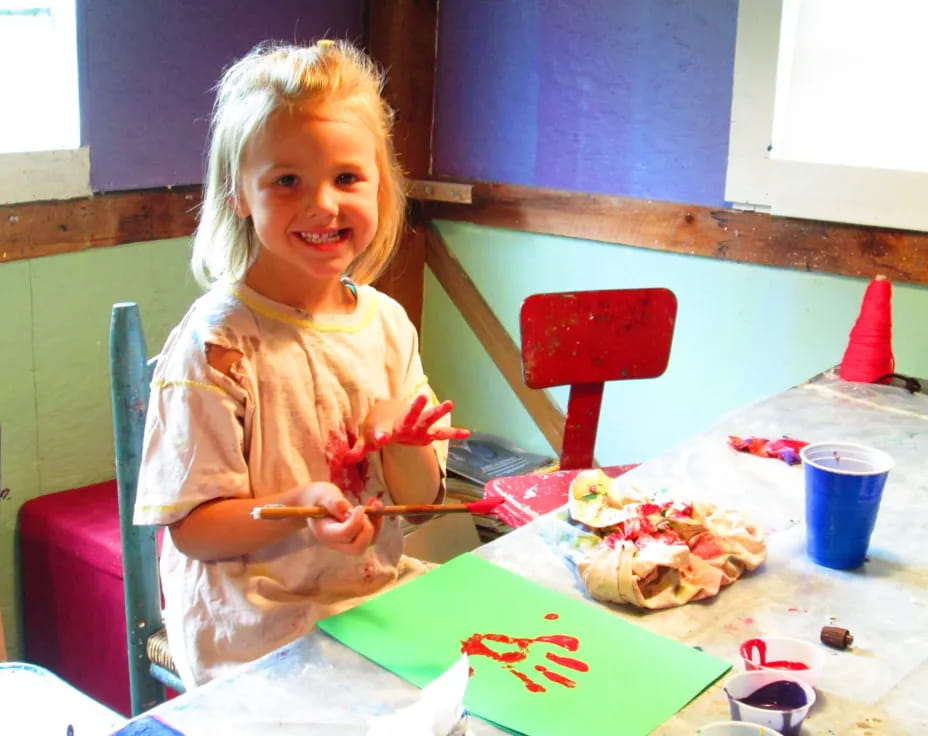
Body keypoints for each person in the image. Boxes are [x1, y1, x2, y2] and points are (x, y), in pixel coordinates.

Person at [134, 39, 469, 689]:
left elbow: (420, 507)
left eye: (347, 178)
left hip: (371, 605)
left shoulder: (387, 326)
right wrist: (296, 505)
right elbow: (194, 532)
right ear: (239, 194)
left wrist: (398, 443)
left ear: (380, 185)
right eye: (287, 181)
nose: (323, 204)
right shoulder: (216, 345)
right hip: (255, 635)